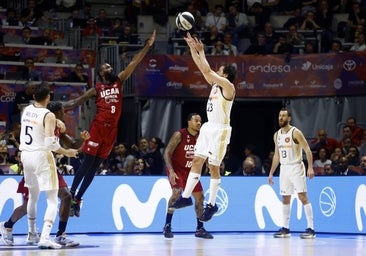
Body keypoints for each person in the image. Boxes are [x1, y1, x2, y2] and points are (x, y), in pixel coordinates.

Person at [68, 30, 156, 217]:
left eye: (109, 66)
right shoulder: (96, 89)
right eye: (106, 66)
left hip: (111, 132)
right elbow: (76, 102)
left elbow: (134, 62)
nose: (109, 67)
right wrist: (55, 107)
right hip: (98, 128)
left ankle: (77, 199)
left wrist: (147, 46)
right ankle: (71, 192)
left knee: (95, 167)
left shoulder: (119, 81)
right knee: (87, 162)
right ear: (101, 74)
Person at [0, 101, 89, 247]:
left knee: (65, 196)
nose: (63, 114)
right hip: (37, 162)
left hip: (44, 164)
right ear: (55, 113)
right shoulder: (45, 121)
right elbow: (56, 145)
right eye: (61, 112)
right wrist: (66, 150)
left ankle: (58, 235)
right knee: (30, 204)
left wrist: (83, 140)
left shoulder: (56, 125)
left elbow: (72, 145)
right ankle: (8, 226)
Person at [170, 32, 236, 223]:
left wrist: (202, 52)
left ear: (225, 74)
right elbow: (202, 68)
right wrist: (192, 48)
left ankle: (212, 204)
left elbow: (207, 70)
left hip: (220, 130)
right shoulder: (215, 85)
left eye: (220, 70)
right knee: (198, 161)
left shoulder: (229, 87)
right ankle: (184, 197)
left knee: (213, 167)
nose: (216, 71)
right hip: (208, 128)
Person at [17, 82, 78, 249]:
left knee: (33, 197)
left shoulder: (26, 110)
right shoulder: (49, 115)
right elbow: (52, 145)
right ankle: (45, 237)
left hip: (26, 156)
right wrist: (69, 152)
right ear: (48, 97)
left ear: (34, 96)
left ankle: (31, 234)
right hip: (41, 157)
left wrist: (55, 121)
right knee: (52, 201)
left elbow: (36, 125)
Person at [163, 113, 213, 239]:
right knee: (176, 192)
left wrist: (208, 163)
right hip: (177, 169)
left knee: (200, 198)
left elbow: (205, 153)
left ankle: (199, 229)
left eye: (200, 121)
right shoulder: (179, 135)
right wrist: (171, 171)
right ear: (189, 122)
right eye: (196, 120)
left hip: (191, 171)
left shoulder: (202, 137)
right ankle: (167, 225)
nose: (199, 123)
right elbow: (167, 153)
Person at [268, 108, 316, 239]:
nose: (281, 118)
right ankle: (285, 228)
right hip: (284, 168)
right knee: (285, 197)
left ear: (289, 118)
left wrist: (310, 167)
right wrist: (271, 173)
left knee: (302, 196)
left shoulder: (295, 132)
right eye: (279, 116)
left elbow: (307, 150)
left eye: (283, 116)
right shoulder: (277, 135)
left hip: (296, 166)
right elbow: (277, 156)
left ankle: (311, 228)